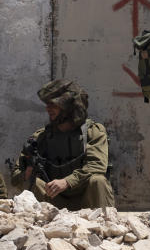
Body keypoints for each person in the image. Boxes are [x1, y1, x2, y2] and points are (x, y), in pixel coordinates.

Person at [10, 80, 114, 210]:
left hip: (87, 200)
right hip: (54, 201)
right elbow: (15, 178)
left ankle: (105, 227)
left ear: (70, 108)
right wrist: (27, 173)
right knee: (33, 183)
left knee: (98, 181)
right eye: (47, 104)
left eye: (53, 104)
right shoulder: (41, 137)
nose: (48, 108)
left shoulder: (93, 132)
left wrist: (66, 182)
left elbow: (96, 166)